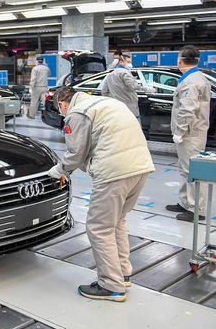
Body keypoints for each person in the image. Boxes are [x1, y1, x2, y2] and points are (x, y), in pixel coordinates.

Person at [49, 86, 154, 302]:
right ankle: (122, 273)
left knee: (99, 227)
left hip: (115, 172)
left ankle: (111, 285)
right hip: (141, 167)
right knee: (117, 221)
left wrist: (58, 171)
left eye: (60, 110)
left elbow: (76, 153)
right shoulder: (105, 102)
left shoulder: (77, 112)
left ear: (62, 104)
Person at [167, 45, 211, 222]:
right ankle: (185, 202)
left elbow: (187, 109)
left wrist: (180, 131)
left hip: (190, 133)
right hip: (193, 131)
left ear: (180, 60)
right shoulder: (196, 77)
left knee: (192, 171)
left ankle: (196, 209)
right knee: (185, 169)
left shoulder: (191, 82)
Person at [101, 55, 140, 120]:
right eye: (128, 62)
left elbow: (104, 91)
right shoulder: (125, 73)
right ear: (121, 62)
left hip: (115, 106)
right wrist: (145, 88)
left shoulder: (110, 75)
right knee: (132, 124)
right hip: (129, 107)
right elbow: (133, 86)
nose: (130, 64)